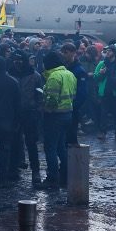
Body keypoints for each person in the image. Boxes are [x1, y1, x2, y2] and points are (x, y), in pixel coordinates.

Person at [41, 51, 77, 189]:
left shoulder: (54, 77)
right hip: (68, 114)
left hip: (54, 116)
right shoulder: (70, 74)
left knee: (50, 147)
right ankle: (65, 175)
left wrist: (44, 105)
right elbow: (73, 95)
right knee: (61, 146)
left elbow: (51, 101)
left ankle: (52, 178)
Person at [9, 51, 44, 184]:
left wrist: (38, 110)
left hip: (30, 113)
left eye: (20, 60)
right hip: (15, 114)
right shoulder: (9, 74)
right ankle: (13, 169)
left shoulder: (35, 76)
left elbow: (40, 94)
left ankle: (36, 171)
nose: (17, 62)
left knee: (31, 143)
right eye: (15, 60)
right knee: (14, 142)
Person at [93, 46, 116, 140]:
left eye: (109, 51)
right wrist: (100, 73)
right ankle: (102, 132)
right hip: (104, 92)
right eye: (106, 51)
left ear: (114, 52)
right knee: (103, 113)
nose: (107, 53)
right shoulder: (102, 64)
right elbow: (95, 77)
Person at [60, 42, 87, 146]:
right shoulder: (63, 68)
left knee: (71, 138)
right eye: (62, 52)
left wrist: (73, 106)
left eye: (65, 52)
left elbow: (82, 93)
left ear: (73, 53)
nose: (63, 55)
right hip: (63, 109)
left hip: (72, 109)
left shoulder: (79, 70)